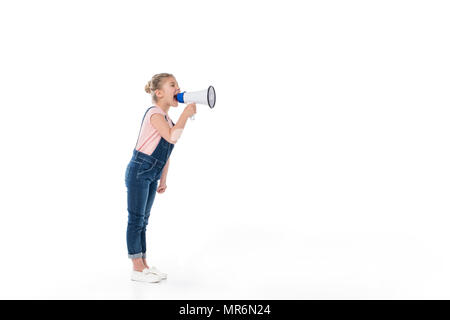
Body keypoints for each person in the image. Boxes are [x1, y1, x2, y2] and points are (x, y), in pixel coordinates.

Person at [124, 73, 196, 283]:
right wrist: (186, 114)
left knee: (143, 221)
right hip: (139, 171)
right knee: (136, 219)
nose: (178, 88)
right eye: (172, 85)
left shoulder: (168, 119)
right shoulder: (154, 113)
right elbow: (172, 136)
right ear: (159, 93)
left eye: (178, 85)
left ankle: (144, 265)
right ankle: (136, 268)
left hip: (151, 173)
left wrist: (163, 178)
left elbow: (167, 152)